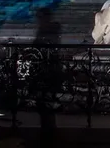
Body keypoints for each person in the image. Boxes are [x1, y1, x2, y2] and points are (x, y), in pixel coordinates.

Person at [33, 9, 62, 147]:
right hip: (48, 73)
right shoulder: (50, 31)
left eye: (40, 18)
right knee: (46, 106)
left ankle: (48, 137)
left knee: (45, 105)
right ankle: (49, 135)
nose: (38, 21)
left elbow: (40, 48)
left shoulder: (47, 32)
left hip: (47, 73)